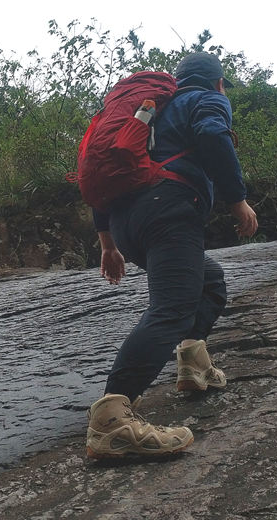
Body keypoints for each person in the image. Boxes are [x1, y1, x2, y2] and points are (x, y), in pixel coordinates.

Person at [85, 52, 258, 459]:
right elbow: (214, 138)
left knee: (208, 281)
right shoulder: (206, 99)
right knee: (174, 308)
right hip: (168, 211)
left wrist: (108, 244)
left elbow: (107, 170)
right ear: (218, 82)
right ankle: (111, 420)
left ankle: (193, 365)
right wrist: (238, 201)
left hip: (129, 223)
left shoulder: (149, 109)